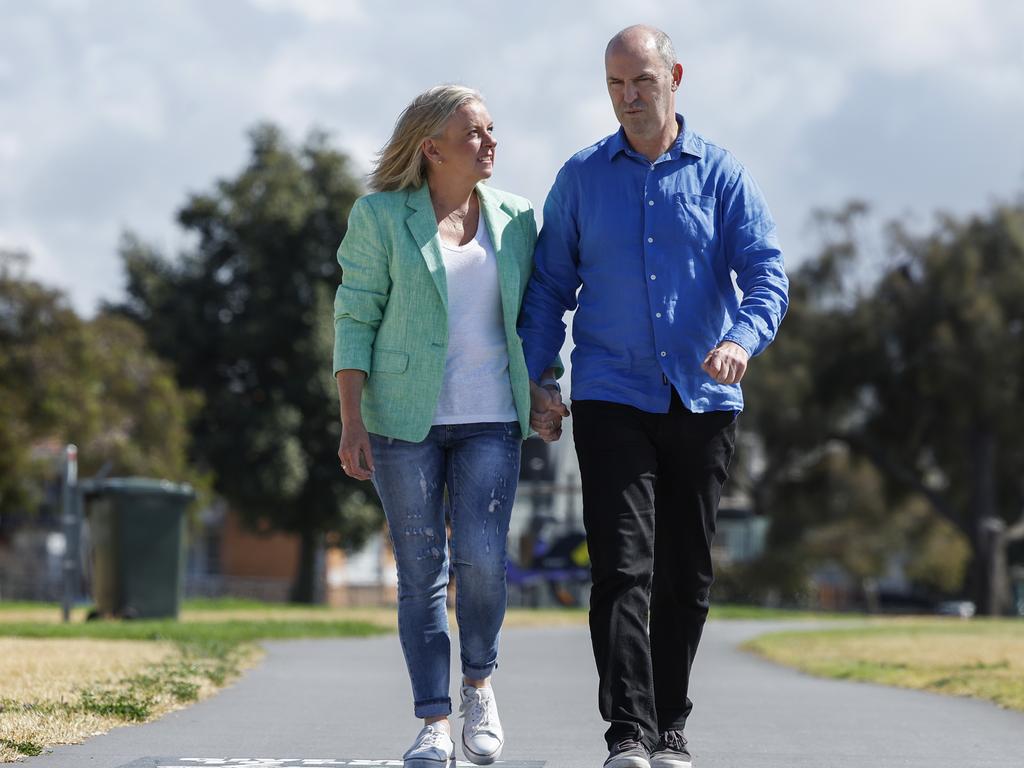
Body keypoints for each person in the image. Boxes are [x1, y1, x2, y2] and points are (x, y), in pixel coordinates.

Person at [519, 25, 789, 768]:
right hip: (610, 394)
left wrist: (742, 337)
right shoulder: (581, 178)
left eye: (641, 82)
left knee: (686, 574)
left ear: (674, 76)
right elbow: (548, 288)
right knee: (621, 566)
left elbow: (766, 272)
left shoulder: (721, 175)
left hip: (704, 398)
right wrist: (537, 377)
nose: (628, 98)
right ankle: (630, 733)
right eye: (614, 85)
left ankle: (672, 719)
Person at [333, 85, 560, 768]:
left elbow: (534, 320)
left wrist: (545, 388)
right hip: (403, 420)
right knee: (422, 572)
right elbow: (355, 317)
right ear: (431, 149)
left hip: (491, 416)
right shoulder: (378, 217)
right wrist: (351, 419)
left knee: (484, 564)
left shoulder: (518, 217)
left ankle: (479, 686)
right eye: (474, 134)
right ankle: (432, 721)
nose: (490, 143)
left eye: (492, 130)